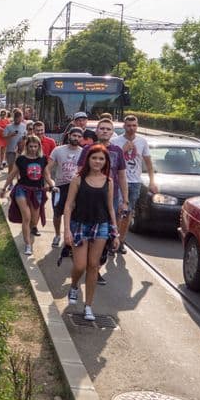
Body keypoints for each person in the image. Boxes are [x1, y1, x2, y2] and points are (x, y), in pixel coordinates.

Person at [64, 144, 119, 321]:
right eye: (94, 158)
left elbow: (110, 207)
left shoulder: (109, 181)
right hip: (80, 225)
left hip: (101, 226)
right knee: (80, 265)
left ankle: (88, 306)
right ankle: (73, 286)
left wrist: (115, 232)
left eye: (101, 159)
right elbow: (68, 205)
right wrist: (67, 230)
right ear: (88, 159)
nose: (97, 161)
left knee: (93, 265)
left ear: (105, 162)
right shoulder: (78, 179)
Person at [76, 118, 128, 285]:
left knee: (104, 238)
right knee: (87, 234)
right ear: (97, 131)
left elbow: (121, 175)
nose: (105, 131)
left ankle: (96, 268)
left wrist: (124, 200)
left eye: (108, 129)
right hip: (89, 199)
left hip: (110, 200)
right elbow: (79, 172)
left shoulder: (117, 151)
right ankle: (83, 264)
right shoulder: (87, 149)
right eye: (102, 128)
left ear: (112, 133)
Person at [1, 135, 55, 256]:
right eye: (30, 146)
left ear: (39, 146)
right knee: (26, 217)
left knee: (34, 220)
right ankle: (28, 244)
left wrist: (52, 185)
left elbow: (46, 174)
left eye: (35, 146)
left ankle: (31, 232)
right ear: (26, 146)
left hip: (37, 190)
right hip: (22, 189)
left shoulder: (43, 159)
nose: (33, 149)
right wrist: (4, 188)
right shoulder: (21, 159)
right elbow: (12, 174)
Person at [111, 114, 158, 253]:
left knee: (128, 212)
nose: (131, 128)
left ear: (137, 126)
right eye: (129, 125)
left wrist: (152, 181)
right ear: (124, 126)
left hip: (135, 182)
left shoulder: (142, 141)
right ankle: (113, 239)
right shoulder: (115, 141)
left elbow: (148, 163)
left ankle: (121, 241)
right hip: (119, 181)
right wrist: (123, 150)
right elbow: (111, 161)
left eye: (134, 126)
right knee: (118, 211)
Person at [46, 127, 84, 247]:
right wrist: (50, 183)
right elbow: (47, 168)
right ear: (69, 136)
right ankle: (57, 234)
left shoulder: (84, 152)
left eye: (79, 136)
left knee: (73, 214)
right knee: (57, 213)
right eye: (74, 136)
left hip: (75, 188)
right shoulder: (58, 150)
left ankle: (70, 237)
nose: (76, 138)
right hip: (59, 187)